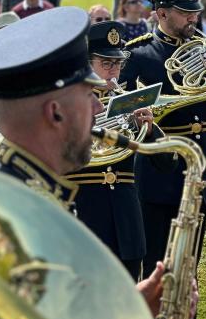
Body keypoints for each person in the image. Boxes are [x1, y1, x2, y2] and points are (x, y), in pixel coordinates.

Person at [0, 7, 194, 319]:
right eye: (89, 94)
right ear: (55, 112)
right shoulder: (9, 206)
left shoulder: (23, 189)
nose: (100, 105)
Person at [118, 0, 206, 277]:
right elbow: (122, 114)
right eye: (185, 12)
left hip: (200, 169)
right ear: (161, 14)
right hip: (157, 170)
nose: (194, 17)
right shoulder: (138, 54)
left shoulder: (204, 49)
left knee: (189, 269)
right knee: (156, 269)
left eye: (195, 11)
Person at [63, 21, 161, 279]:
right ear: (86, 64)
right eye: (106, 63)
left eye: (117, 64)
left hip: (126, 221)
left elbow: (167, 162)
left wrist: (149, 130)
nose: (113, 71)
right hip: (84, 213)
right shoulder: (67, 105)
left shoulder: (130, 102)